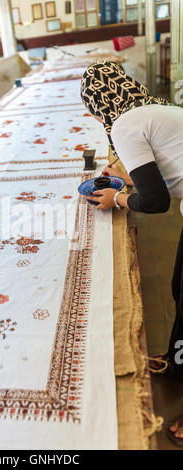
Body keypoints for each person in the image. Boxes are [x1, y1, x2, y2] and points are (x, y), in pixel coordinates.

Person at [80, 60, 183, 446]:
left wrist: (118, 197)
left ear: (99, 104)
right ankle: (177, 362)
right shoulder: (152, 109)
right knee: (178, 286)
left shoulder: (124, 126)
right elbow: (165, 171)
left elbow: (156, 202)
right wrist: (126, 177)